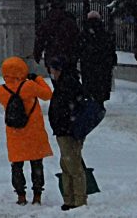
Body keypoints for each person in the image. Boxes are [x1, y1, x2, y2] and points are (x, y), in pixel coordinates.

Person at [0, 55, 52, 206]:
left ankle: (21, 195)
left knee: (17, 166)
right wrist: (37, 79)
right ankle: (37, 195)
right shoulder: (29, 87)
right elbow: (47, 95)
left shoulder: (2, 90)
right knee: (36, 164)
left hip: (15, 133)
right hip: (33, 132)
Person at [47, 55, 93, 210]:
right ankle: (70, 199)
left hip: (68, 131)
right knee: (67, 165)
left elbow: (66, 109)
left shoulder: (67, 85)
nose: (51, 73)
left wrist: (67, 126)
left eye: (52, 69)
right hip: (65, 130)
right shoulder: (66, 83)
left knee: (72, 166)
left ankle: (78, 201)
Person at [77, 10, 116, 104]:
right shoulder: (105, 34)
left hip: (88, 67)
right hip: (103, 68)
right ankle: (99, 108)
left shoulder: (84, 34)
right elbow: (111, 50)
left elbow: (78, 49)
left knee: (89, 91)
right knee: (100, 93)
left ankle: (91, 107)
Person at [35, 0, 79, 68]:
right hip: (68, 57)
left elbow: (40, 39)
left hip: (52, 56)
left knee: (55, 76)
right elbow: (77, 40)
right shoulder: (70, 21)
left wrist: (37, 54)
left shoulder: (47, 22)